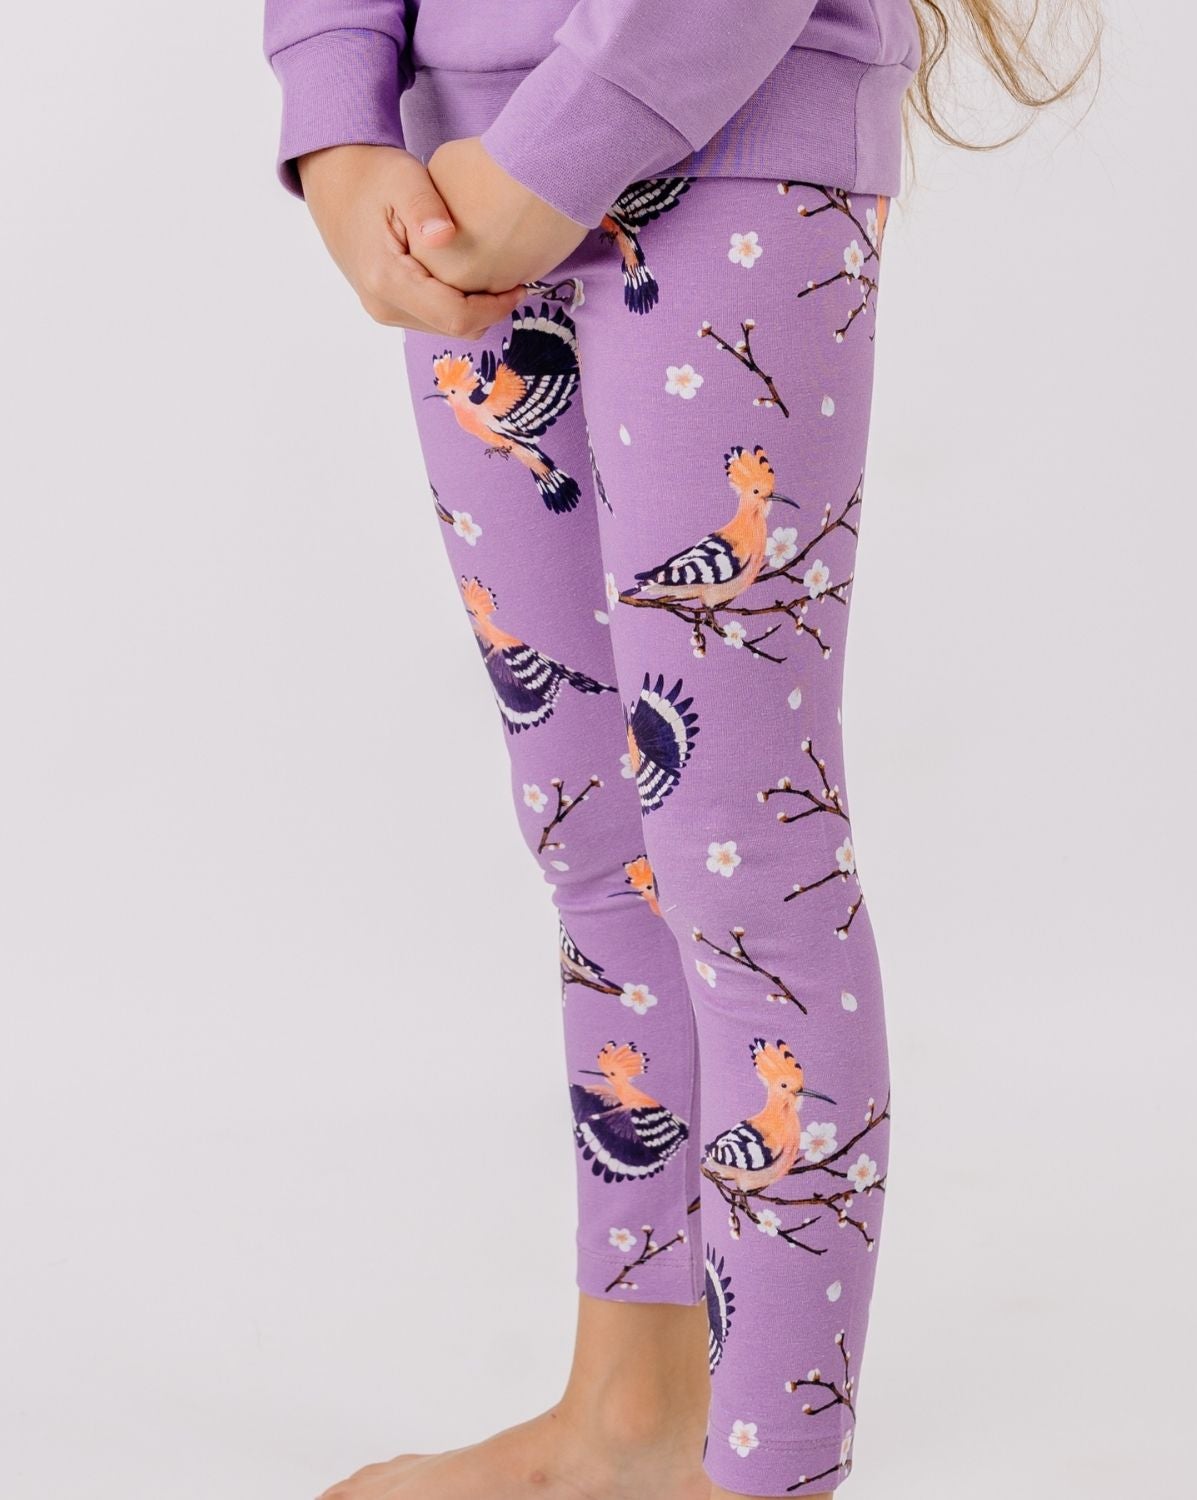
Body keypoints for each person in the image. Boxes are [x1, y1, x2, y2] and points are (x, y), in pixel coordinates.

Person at [264, 4, 1095, 1497]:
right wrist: (336, 115)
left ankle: (769, 1473)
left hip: (725, 140)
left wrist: (560, 143)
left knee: (745, 859)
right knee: (594, 837)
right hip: (451, 183)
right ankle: (633, 1417)